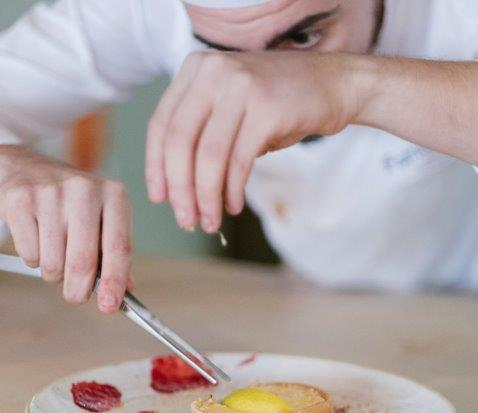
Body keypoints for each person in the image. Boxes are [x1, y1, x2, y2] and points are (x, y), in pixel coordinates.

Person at [0, 0, 477, 313]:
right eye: (220, 49)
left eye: (305, 37)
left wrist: (353, 84)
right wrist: (10, 168)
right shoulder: (143, 9)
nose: (260, 80)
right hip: (320, 302)